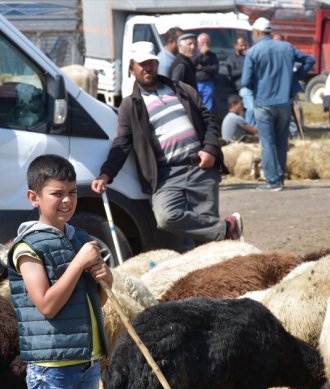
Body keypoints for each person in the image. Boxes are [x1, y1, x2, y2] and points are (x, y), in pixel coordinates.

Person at [7, 154, 112, 389]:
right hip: (52, 367)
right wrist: (79, 264)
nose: (66, 200)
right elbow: (48, 305)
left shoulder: (79, 238)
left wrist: (103, 278)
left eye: (72, 192)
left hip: (86, 361)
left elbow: (96, 301)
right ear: (34, 198)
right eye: (57, 193)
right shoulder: (28, 247)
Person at [91, 41, 243, 248]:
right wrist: (106, 174)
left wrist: (210, 149)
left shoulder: (182, 90)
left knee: (205, 242)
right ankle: (226, 229)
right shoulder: (130, 105)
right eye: (142, 64)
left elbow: (209, 121)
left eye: (151, 63)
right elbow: (122, 142)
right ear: (131, 68)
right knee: (166, 217)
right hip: (166, 175)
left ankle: (211, 271)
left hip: (200, 167)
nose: (148, 68)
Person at [242, 17, 314, 191]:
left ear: (257, 32)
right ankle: (280, 178)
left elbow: (245, 81)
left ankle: (273, 180)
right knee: (282, 140)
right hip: (284, 102)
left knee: (267, 142)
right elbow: (310, 60)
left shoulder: (253, 52)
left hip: (264, 102)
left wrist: (257, 85)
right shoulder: (286, 47)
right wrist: (294, 78)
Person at [226, 36, 255, 126]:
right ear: (235, 46)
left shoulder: (250, 57)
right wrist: (246, 67)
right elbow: (232, 74)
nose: (243, 48)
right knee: (251, 108)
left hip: (254, 86)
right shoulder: (231, 59)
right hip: (243, 87)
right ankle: (250, 131)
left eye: (245, 45)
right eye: (241, 45)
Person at [193, 32, 219, 111]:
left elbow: (215, 68)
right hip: (195, 82)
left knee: (208, 106)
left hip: (208, 83)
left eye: (207, 42)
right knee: (195, 104)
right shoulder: (194, 53)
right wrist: (201, 54)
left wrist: (202, 68)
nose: (205, 45)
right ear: (198, 43)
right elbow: (192, 64)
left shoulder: (212, 55)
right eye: (203, 42)